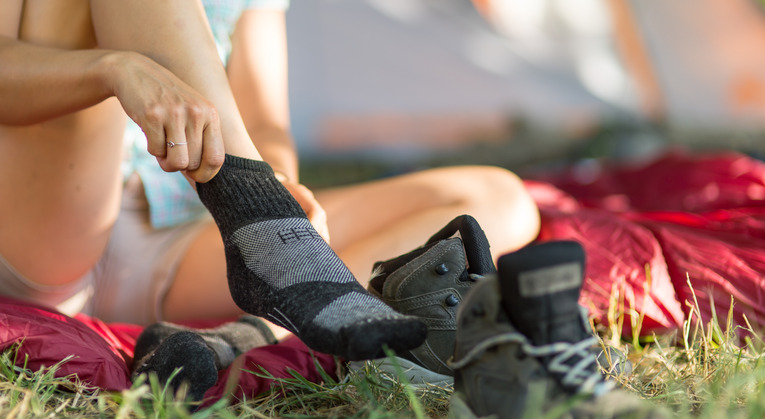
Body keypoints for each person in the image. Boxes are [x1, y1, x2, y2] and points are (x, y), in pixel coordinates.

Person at [0, 0, 539, 360]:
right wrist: (114, 68)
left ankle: (246, 331)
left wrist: (280, 180)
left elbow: (262, 120)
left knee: (501, 200)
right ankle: (259, 219)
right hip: (53, 225)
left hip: (186, 244)